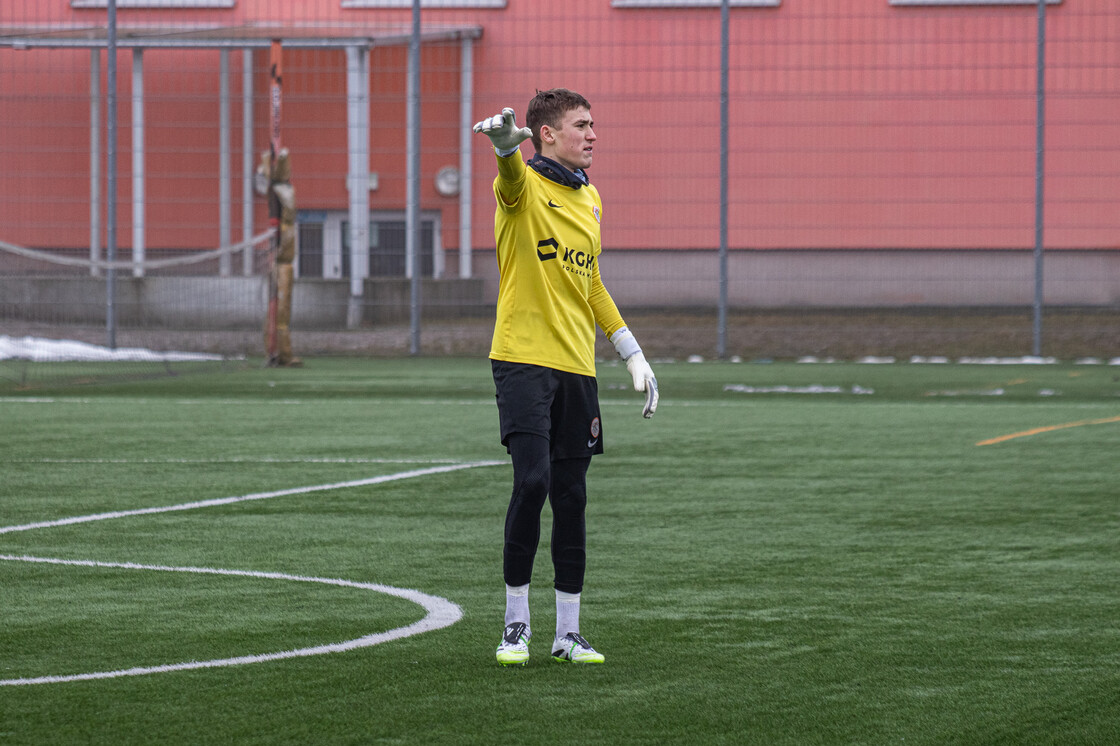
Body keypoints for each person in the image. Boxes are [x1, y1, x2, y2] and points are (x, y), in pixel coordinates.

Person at [473, 89, 659, 667]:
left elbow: (592, 281)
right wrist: (506, 149)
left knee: (572, 498)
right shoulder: (524, 186)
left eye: (594, 124)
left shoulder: (592, 198)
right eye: (581, 125)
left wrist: (630, 350)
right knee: (531, 483)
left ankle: (568, 634)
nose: (593, 134)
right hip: (523, 361)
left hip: (578, 368)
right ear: (546, 134)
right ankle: (515, 626)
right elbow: (509, 182)